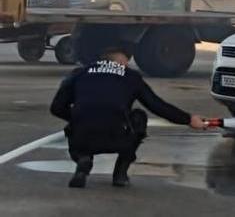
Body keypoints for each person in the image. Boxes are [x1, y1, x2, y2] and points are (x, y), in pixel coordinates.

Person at [49, 43, 207, 188]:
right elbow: (156, 105)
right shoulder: (130, 76)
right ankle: (120, 173)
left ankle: (83, 160)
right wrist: (188, 119)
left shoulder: (79, 73)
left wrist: (76, 119)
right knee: (139, 117)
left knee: (82, 120)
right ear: (122, 60)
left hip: (82, 139)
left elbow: (56, 108)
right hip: (117, 138)